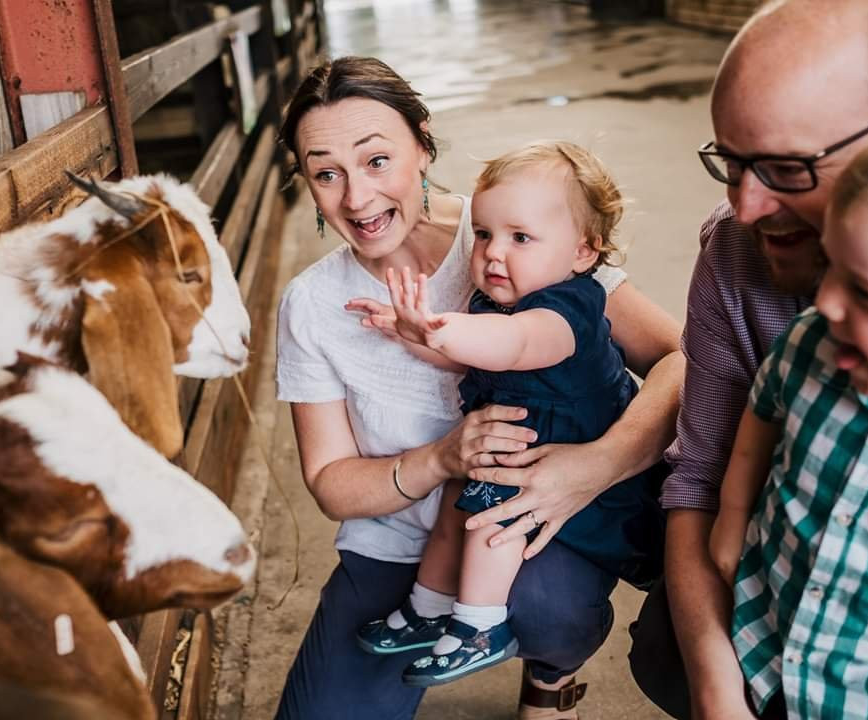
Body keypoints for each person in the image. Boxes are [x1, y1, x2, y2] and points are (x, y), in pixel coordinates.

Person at [274, 56, 684, 720]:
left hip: (525, 522)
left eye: (377, 160)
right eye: (327, 173)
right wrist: (440, 458)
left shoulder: (516, 227)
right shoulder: (312, 303)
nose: (356, 198)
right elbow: (329, 483)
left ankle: (551, 675)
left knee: (547, 609)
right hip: (398, 543)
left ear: (423, 144)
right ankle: (428, 615)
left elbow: (679, 358)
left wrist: (596, 465)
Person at [626, 1, 868, 718]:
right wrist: (721, 695)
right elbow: (703, 477)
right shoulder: (737, 249)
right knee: (666, 644)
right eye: (733, 161)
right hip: (780, 594)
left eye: (786, 167)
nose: (745, 205)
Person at [346, 142, 664, 689]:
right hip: (512, 444)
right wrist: (409, 332)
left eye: (521, 238)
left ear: (583, 253)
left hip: (574, 463)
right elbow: (462, 351)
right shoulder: (494, 302)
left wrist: (436, 324)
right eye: (486, 234)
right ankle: (429, 607)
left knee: (492, 516)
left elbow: (512, 345)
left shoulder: (569, 311)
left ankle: (479, 624)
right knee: (457, 505)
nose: (494, 253)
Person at [706, 134, 868, 719]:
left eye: (863, 290)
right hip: (763, 638)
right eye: (832, 267)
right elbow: (758, 425)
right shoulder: (807, 343)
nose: (829, 300)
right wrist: (732, 518)